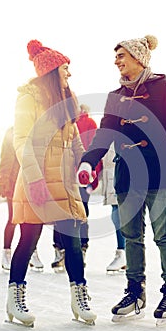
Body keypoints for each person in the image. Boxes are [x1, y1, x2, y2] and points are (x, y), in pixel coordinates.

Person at [77, 35, 166, 324]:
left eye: (121, 55)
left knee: (163, 234)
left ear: (138, 57)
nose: (116, 61)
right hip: (127, 176)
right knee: (131, 237)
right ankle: (135, 291)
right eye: (115, 56)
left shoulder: (165, 87)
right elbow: (104, 134)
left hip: (159, 172)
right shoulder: (115, 97)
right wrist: (89, 160)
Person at [6, 39, 96, 327]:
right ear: (52, 70)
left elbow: (75, 139)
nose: (70, 74)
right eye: (66, 68)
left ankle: (79, 299)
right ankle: (14, 300)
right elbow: (21, 140)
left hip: (64, 181)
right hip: (38, 178)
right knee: (29, 239)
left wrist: (84, 165)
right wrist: (34, 179)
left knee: (72, 240)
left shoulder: (67, 99)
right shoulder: (29, 97)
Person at [51, 104, 102, 271]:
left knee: (81, 211)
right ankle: (61, 249)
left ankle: (80, 247)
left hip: (81, 176)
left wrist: (93, 174)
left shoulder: (90, 124)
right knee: (61, 211)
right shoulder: (64, 122)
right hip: (64, 175)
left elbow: (93, 151)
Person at [0, 126, 43, 272]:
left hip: (30, 181)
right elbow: (5, 159)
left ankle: (32, 252)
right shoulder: (11, 132)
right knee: (13, 218)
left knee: (31, 219)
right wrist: (3, 182)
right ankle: (6, 252)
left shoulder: (36, 131)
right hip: (13, 182)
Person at [101, 144, 126, 274]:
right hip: (111, 171)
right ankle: (122, 252)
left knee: (121, 215)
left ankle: (124, 252)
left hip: (123, 171)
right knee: (116, 215)